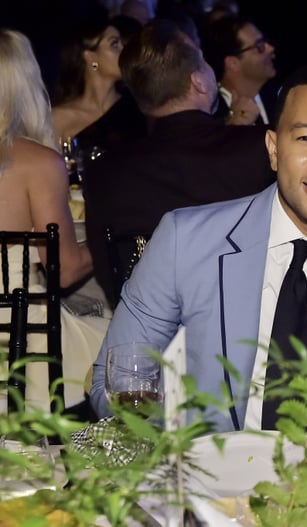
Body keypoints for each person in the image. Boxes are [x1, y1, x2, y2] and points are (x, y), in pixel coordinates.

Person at [89, 63, 307, 432]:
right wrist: (186, 455)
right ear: (274, 148)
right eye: (306, 139)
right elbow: (112, 386)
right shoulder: (186, 240)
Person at [82, 20, 275, 307]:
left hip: (148, 340)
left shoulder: (103, 172)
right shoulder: (259, 149)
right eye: (206, 64)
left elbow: (112, 280)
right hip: (245, 337)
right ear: (198, 82)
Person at [0, 29, 109, 411]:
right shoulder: (36, 163)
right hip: (21, 340)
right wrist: (108, 237)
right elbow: (63, 271)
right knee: (134, 346)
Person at [50, 13, 146, 156]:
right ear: (90, 57)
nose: (124, 51)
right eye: (114, 44)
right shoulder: (58, 118)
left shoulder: (137, 107)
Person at [202, 15, 277, 127]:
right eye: (259, 46)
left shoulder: (280, 99)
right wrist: (233, 127)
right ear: (233, 63)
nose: (270, 48)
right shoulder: (208, 112)